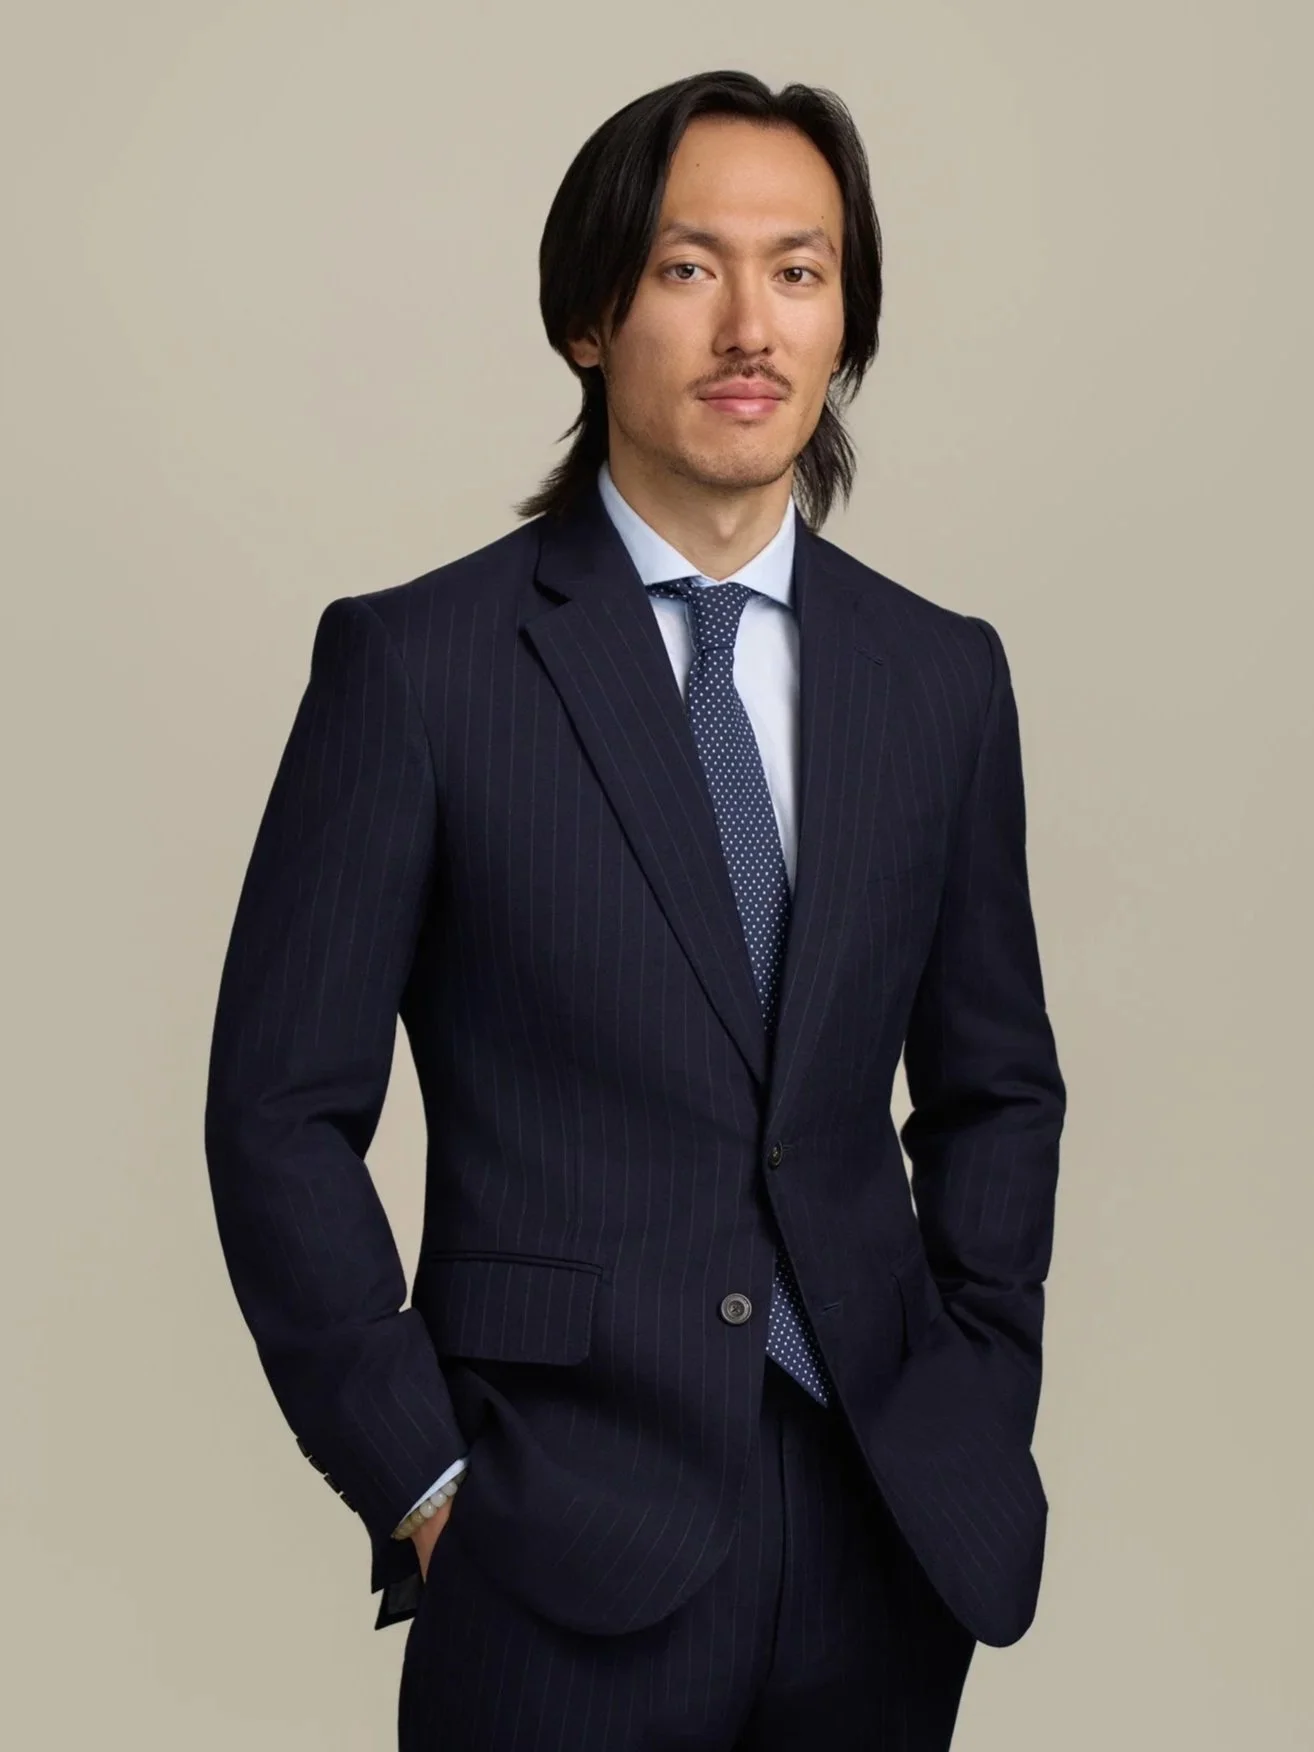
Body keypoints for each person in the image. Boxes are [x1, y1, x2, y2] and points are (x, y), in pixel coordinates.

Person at [204, 67, 1066, 1752]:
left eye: (798, 270)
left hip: (885, 1523)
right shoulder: (418, 669)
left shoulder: (940, 679)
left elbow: (995, 1088)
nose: (751, 322)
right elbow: (276, 1114)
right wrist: (422, 1477)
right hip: (552, 1532)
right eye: (688, 267)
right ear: (589, 314)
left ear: (844, 321)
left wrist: (975, 1389)